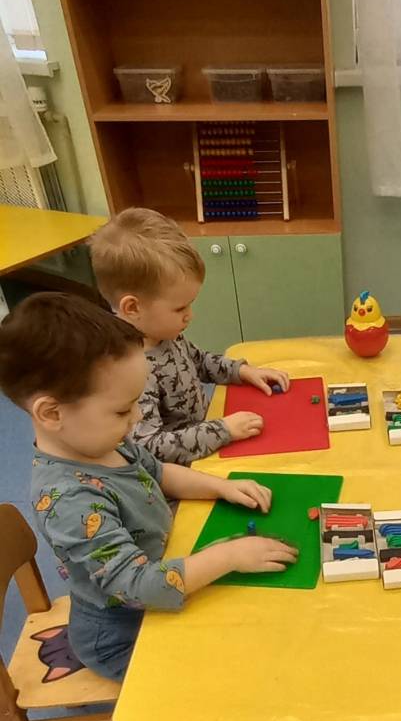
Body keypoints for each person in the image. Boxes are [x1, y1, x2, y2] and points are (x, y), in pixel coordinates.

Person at [0, 294, 297, 680]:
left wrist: (221, 486)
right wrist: (230, 556)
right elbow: (139, 586)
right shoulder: (70, 502)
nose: (137, 417)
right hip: (120, 633)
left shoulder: (101, 440)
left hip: (160, 577)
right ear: (52, 413)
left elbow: (157, 472)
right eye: (123, 410)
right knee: (228, 673)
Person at [90, 208, 290, 464]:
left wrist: (241, 372)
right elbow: (149, 447)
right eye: (180, 308)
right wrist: (223, 431)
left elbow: (199, 361)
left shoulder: (163, 333)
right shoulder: (129, 370)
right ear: (132, 308)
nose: (190, 315)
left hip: (204, 438)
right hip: (181, 472)